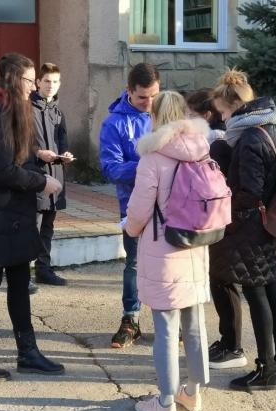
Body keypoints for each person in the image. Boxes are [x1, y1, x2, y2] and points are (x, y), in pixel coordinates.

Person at [0, 54, 65, 381]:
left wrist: (37, 162)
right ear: (11, 80)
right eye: (29, 80)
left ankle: (28, 353)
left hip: (12, 213)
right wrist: (41, 182)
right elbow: (2, 170)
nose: (33, 86)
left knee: (19, 282)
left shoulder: (9, 110)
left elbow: (15, 159)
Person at [209, 69, 276, 392]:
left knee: (257, 294)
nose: (222, 118)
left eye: (222, 112)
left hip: (249, 227)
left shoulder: (248, 139)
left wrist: (223, 209)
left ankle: (267, 370)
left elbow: (249, 191)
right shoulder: (267, 128)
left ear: (235, 106)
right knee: (271, 290)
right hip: (266, 222)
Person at [126, 91, 211, 411]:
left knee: (165, 327)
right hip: (197, 245)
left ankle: (164, 403)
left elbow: (139, 210)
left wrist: (130, 229)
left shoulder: (153, 157)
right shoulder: (203, 149)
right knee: (195, 322)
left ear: (157, 117)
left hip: (164, 248)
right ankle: (192, 393)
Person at [99, 63, 160, 348]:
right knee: (134, 264)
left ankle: (169, 319)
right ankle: (130, 320)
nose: (149, 104)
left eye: (154, 96)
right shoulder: (114, 124)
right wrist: (150, 166)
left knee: (170, 264)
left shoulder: (167, 114)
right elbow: (111, 169)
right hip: (134, 206)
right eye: (142, 98)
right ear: (129, 91)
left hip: (170, 206)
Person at [186, 89, 246, 370]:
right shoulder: (217, 142)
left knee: (224, 282)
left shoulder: (217, 145)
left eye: (191, 114)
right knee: (219, 281)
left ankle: (233, 346)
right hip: (222, 221)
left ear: (207, 115)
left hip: (224, 222)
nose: (187, 119)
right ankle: (227, 341)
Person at [31, 62, 73, 288]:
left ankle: (43, 270)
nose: (51, 85)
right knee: (32, 226)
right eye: (46, 81)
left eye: (55, 81)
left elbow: (63, 143)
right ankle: (22, 274)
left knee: (47, 226)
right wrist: (38, 152)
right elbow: (20, 143)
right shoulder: (26, 109)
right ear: (38, 82)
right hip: (34, 175)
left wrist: (65, 155)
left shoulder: (58, 112)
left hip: (55, 175)